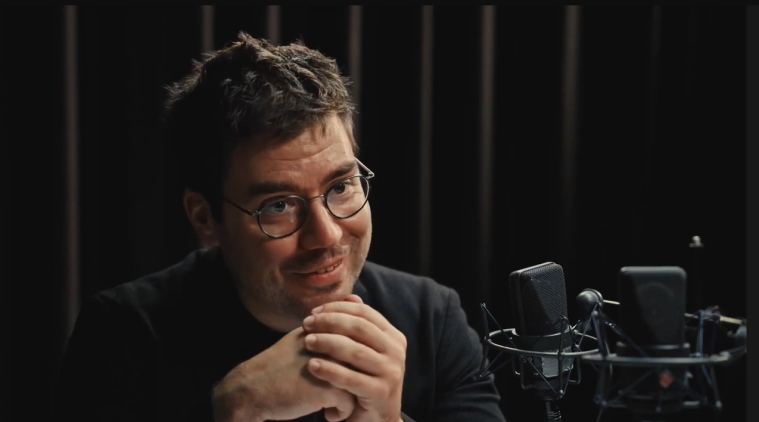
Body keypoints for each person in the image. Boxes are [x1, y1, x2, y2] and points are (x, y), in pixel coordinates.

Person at [56, 32, 507, 422]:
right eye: (278, 206)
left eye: (341, 186)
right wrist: (232, 409)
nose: (327, 236)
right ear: (205, 218)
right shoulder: (120, 333)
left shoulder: (433, 319)